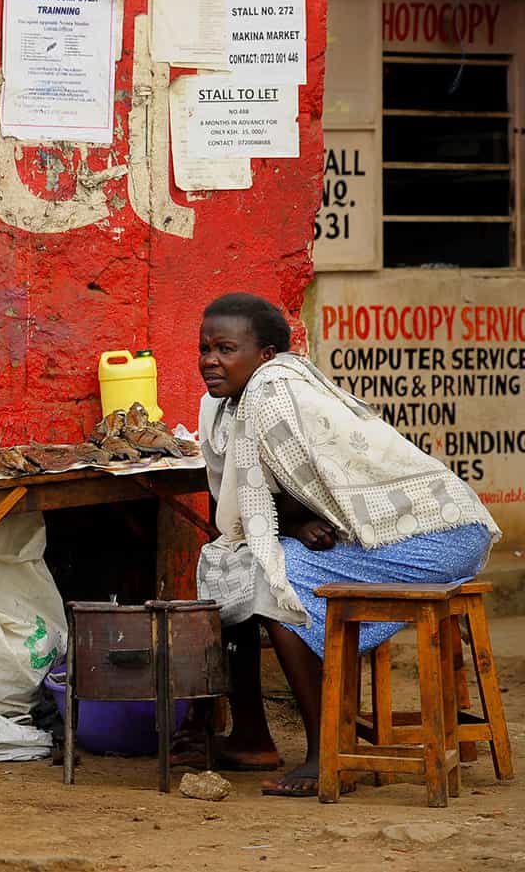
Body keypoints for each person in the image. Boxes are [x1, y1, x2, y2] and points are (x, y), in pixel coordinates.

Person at [184, 292, 498, 797]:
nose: (210, 361)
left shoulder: (276, 390)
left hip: (438, 537)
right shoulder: (230, 403)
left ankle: (324, 751)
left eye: (225, 348)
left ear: (266, 355)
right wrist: (296, 518)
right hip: (402, 536)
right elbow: (278, 490)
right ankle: (259, 736)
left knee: (272, 580)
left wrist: (295, 520)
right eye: (204, 349)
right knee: (250, 569)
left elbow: (303, 485)